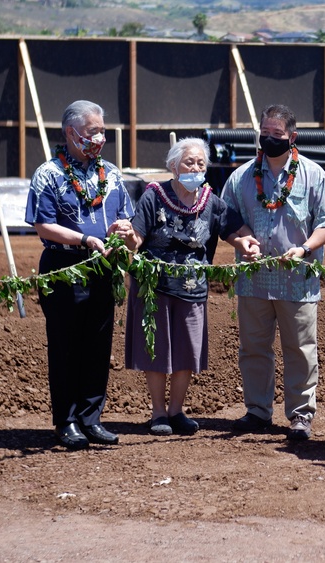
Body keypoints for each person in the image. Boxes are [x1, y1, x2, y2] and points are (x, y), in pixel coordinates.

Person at [220, 104, 325, 441]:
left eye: (277, 135)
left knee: (301, 348)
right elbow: (225, 217)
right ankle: (257, 410)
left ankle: (301, 415)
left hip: (297, 280)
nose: (270, 140)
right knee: (253, 348)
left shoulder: (314, 175)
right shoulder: (241, 176)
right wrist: (243, 239)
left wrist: (304, 248)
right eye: (265, 134)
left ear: (292, 137)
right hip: (254, 278)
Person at [124, 138, 255, 436]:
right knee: (155, 350)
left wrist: (245, 240)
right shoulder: (154, 195)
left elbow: (232, 228)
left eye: (200, 163)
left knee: (187, 350)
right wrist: (129, 238)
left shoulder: (210, 200)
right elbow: (138, 235)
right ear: (173, 166)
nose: (195, 167)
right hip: (153, 287)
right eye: (189, 162)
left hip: (193, 288)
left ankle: (176, 411)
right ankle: (158, 412)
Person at [26, 100, 136, 449]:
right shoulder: (49, 174)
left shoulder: (113, 174)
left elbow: (127, 220)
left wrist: (124, 231)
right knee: (66, 346)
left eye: (102, 131)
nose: (99, 138)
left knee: (97, 345)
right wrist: (85, 239)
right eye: (92, 132)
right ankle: (66, 421)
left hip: (103, 269)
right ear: (70, 133)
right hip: (64, 268)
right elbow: (42, 224)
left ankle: (91, 419)